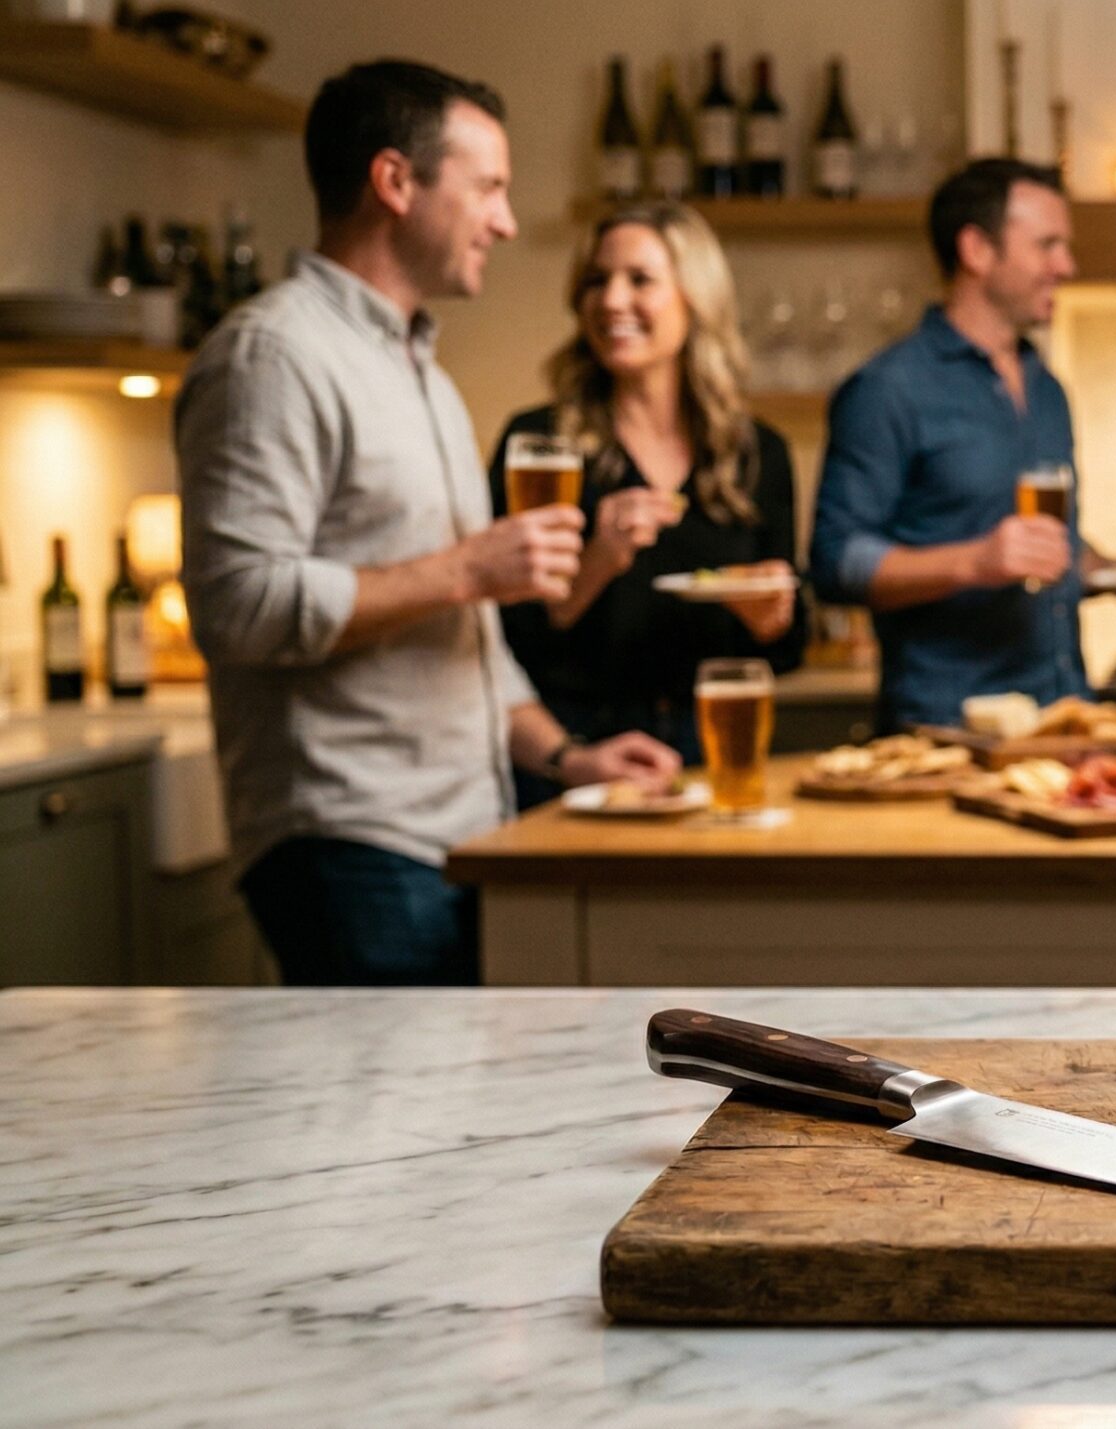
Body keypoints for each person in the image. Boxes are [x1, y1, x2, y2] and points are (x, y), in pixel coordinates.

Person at [178, 61, 678, 986]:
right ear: (395, 182)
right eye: (487, 187)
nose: (507, 220)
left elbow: (467, 638)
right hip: (348, 843)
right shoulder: (272, 356)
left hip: (455, 837)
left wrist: (566, 755)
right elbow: (236, 604)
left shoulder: (422, 377)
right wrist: (466, 570)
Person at [810, 158, 1116, 731]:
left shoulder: (1047, 388)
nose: (1066, 266)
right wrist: (974, 562)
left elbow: (1037, 542)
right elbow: (837, 562)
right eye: (1047, 246)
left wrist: (1104, 568)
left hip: (1066, 717)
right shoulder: (887, 389)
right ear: (976, 250)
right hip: (946, 732)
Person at [490, 202, 804, 804]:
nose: (611, 301)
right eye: (596, 281)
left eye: (639, 280)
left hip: (714, 748)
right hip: (574, 748)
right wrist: (598, 559)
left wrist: (773, 617)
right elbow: (503, 638)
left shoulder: (756, 452)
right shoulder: (540, 446)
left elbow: (783, 649)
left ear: (695, 298)